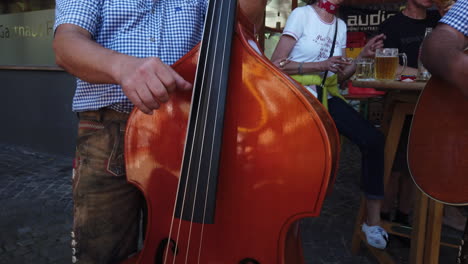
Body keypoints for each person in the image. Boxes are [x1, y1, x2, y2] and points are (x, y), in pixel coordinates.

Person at [52, 1, 266, 263]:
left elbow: (242, 23)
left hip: (189, 130)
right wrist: (121, 67)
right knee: (101, 251)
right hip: (109, 129)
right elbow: (66, 43)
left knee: (186, 247)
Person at [270, 0, 388, 250]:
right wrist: (318, 65)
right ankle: (282, 218)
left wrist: (362, 55)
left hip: (327, 96)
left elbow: (340, 76)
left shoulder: (341, 25)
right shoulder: (302, 15)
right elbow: (276, 63)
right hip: (298, 96)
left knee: (374, 140)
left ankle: (372, 221)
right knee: (301, 162)